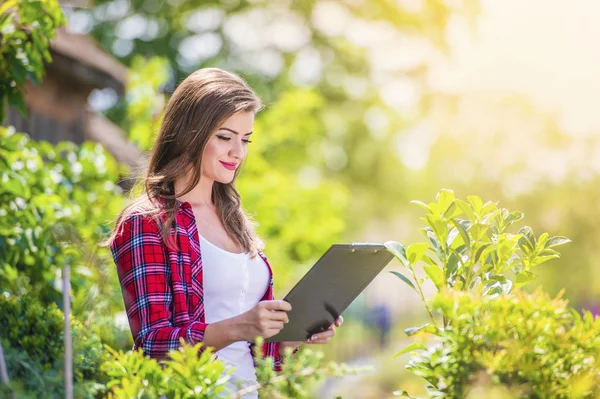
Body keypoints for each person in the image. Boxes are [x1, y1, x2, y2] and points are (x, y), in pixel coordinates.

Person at [103, 68, 343, 398]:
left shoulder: (235, 221)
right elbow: (154, 344)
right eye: (225, 137)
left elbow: (256, 357)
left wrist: (292, 336)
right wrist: (240, 326)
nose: (238, 153)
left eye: (245, 140)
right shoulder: (147, 222)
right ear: (191, 133)